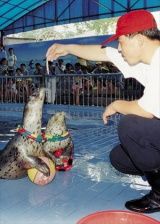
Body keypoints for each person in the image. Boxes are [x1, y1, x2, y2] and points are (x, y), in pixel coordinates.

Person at [46, 9, 160, 213]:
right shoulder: (145, 59)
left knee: (130, 125)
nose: (119, 48)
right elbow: (102, 52)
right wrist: (67, 47)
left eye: (121, 42)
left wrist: (116, 105)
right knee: (120, 159)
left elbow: (146, 110)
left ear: (139, 39)